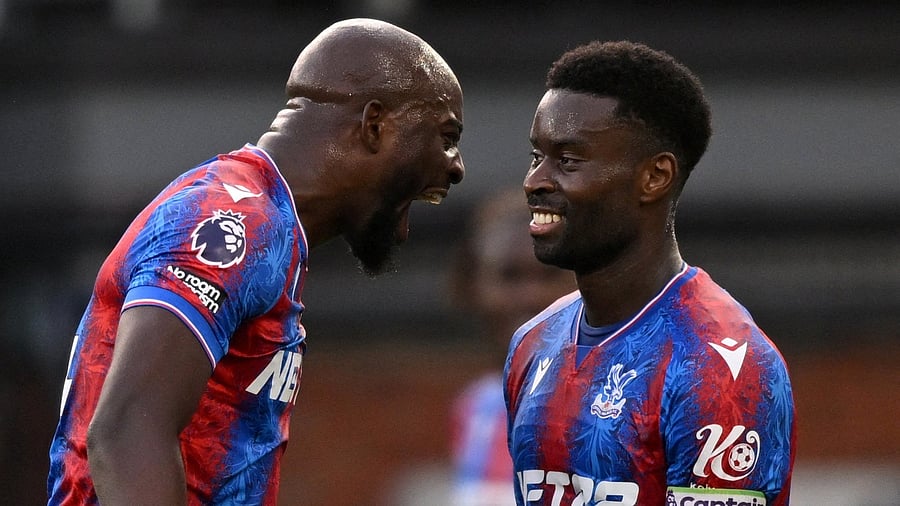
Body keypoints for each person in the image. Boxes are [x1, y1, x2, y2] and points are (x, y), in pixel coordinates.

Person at [47, 18, 465, 505]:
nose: (456, 165)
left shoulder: (270, 226)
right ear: (375, 125)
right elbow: (127, 430)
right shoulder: (234, 221)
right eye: (446, 136)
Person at [504, 41, 796, 505]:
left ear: (655, 176)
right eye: (536, 156)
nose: (534, 181)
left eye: (568, 161)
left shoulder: (718, 365)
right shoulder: (533, 342)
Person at [448, 188, 575, 506]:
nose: (532, 297)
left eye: (550, 275)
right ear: (470, 286)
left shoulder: (620, 409)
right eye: (510, 276)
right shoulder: (478, 409)